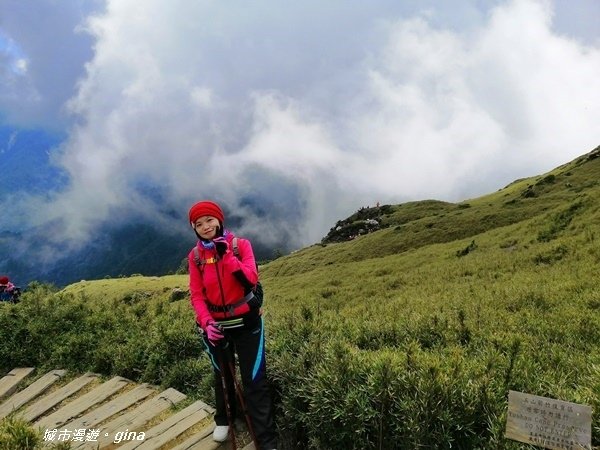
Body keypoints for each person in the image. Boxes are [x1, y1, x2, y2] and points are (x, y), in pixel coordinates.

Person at [187, 200, 277, 450]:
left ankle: (266, 441)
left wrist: (226, 255)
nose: (205, 226)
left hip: (247, 324)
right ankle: (224, 419)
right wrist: (206, 323)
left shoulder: (240, 246)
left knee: (254, 380)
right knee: (223, 375)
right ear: (194, 228)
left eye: (209, 220)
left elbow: (250, 279)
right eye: (199, 223)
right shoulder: (195, 257)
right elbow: (197, 294)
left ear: (219, 220)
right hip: (216, 327)